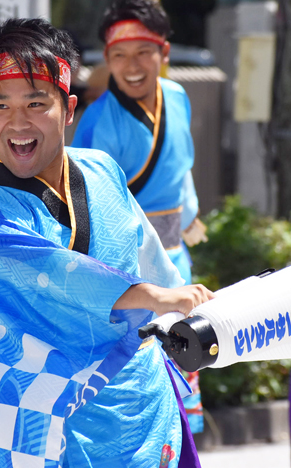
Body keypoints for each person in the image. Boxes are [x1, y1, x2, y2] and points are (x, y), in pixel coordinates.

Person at [0, 18, 215, 468]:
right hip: (38, 417)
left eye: (35, 102)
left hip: (140, 397)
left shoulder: (102, 168)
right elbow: (63, 277)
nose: (17, 122)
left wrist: (186, 306)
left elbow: (149, 254)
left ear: (67, 109)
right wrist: (156, 297)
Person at [71, 0, 207, 433]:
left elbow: (182, 166)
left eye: (143, 52)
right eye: (118, 55)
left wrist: (190, 214)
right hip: (129, 277)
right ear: (106, 59)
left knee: (183, 374)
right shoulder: (96, 121)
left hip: (176, 260)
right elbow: (94, 207)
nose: (131, 66)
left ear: (164, 53)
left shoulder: (179, 98)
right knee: (139, 395)